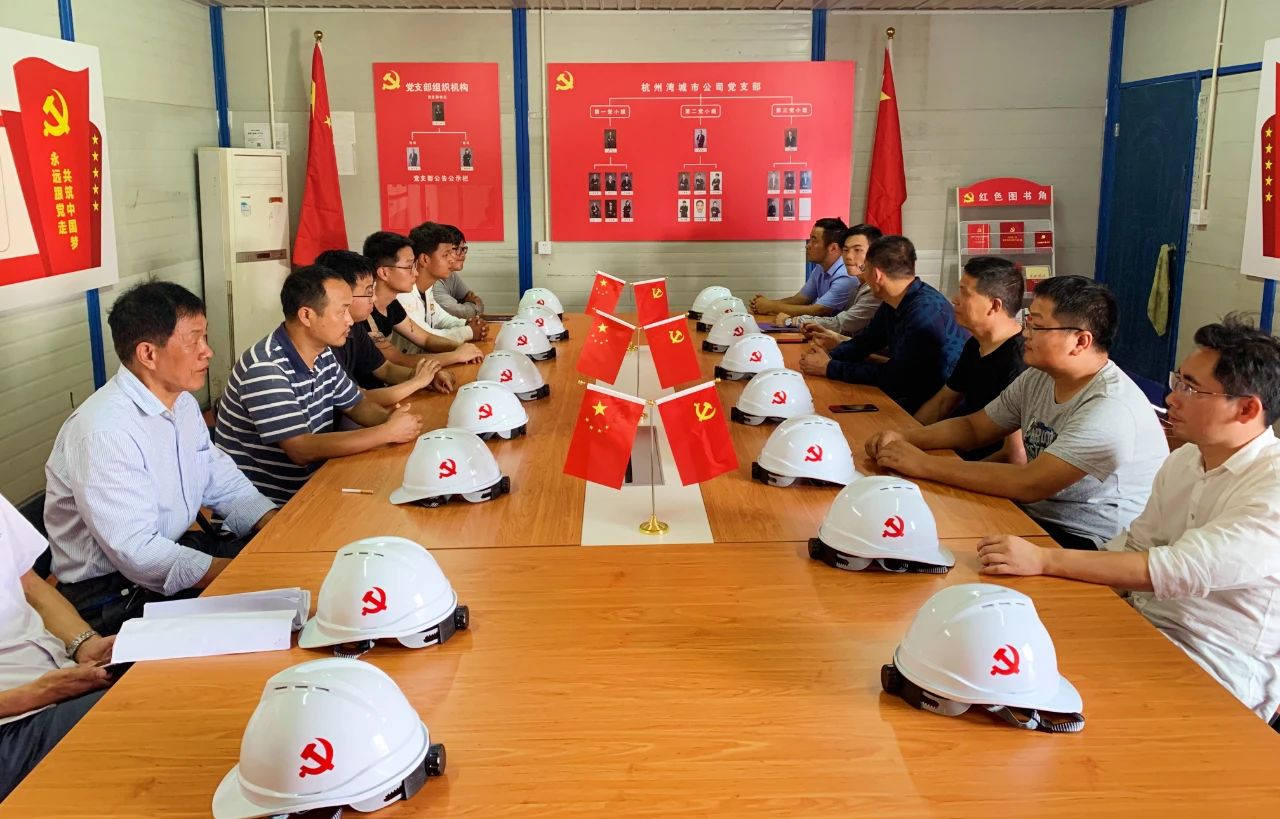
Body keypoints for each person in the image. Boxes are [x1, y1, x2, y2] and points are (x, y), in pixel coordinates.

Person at [976, 317, 1280, 727]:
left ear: (1247, 409)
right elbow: (1134, 547)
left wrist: (1044, 560)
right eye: (1178, 380)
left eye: (1191, 388)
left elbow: (1179, 569)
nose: (1171, 398)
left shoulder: (1272, 486)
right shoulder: (1185, 460)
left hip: (1213, 670)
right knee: (998, 652)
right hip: (1140, 628)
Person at [865, 275, 1168, 549]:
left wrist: (923, 464)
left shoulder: (1110, 408)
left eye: (1037, 325)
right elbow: (974, 428)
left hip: (1086, 541)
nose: (1025, 333)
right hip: (1032, 516)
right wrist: (905, 438)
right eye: (1028, 320)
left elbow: (1030, 482)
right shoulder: (1038, 377)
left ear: (1080, 341)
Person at [45, 282, 277, 634]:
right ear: (148, 354)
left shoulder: (181, 403)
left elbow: (217, 476)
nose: (208, 352)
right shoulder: (105, 431)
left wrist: (274, 524)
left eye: (205, 337)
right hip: (114, 594)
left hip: (172, 551)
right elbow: (138, 552)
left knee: (290, 577)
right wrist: (244, 574)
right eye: (194, 340)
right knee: (266, 618)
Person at [215, 265, 423, 505]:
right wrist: (386, 432)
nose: (350, 320)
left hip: (316, 485)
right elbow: (301, 449)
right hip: (275, 508)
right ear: (306, 316)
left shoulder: (322, 352)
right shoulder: (265, 367)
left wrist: (392, 421)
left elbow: (357, 405)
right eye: (342, 311)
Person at [0, 494, 116, 800]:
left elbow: (29, 584)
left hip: (62, 674)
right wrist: (34, 694)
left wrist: (85, 643)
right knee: (141, 714)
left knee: (176, 675)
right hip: (12, 720)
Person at [799, 235, 968, 415]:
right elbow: (864, 343)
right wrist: (827, 357)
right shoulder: (894, 300)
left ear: (876, 275)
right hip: (908, 392)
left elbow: (896, 378)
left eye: (864, 269)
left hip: (936, 408)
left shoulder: (924, 313)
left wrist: (829, 367)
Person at [912, 256, 1027, 461]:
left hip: (987, 469)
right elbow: (943, 402)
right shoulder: (975, 344)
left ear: (994, 305)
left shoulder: (1019, 362)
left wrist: (948, 471)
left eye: (965, 292)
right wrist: (905, 436)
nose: (955, 299)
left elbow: (1014, 456)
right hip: (964, 455)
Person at [314, 249, 454, 402]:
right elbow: (355, 401)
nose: (374, 298)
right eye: (369, 291)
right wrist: (417, 382)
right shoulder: (323, 343)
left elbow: (385, 369)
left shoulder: (355, 326)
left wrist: (426, 376)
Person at [361, 231, 483, 365]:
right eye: (409, 266)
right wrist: (456, 355)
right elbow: (398, 360)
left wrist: (460, 347)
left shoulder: (392, 304)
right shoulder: (364, 313)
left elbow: (426, 339)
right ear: (384, 272)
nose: (416, 272)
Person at [396, 224, 487, 345]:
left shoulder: (427, 289)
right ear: (425, 259)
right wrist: (469, 331)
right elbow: (427, 336)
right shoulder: (403, 294)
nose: (451, 260)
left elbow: (440, 319)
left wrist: (466, 323)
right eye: (446, 255)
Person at [750, 218, 851, 318]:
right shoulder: (820, 267)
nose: (807, 246)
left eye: (814, 240)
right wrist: (766, 304)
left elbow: (817, 310)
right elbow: (801, 299)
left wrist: (771, 307)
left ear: (833, 248)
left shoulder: (845, 275)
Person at [794, 223, 883, 335]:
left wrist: (793, 321)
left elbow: (841, 324)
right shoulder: (858, 286)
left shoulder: (874, 289)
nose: (849, 256)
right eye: (845, 250)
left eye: (857, 250)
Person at [431, 226, 485, 320]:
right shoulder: (432, 282)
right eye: (456, 249)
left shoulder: (451, 275)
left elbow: (473, 298)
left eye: (463, 249)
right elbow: (460, 313)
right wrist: (472, 306)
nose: (462, 254)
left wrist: (468, 304)